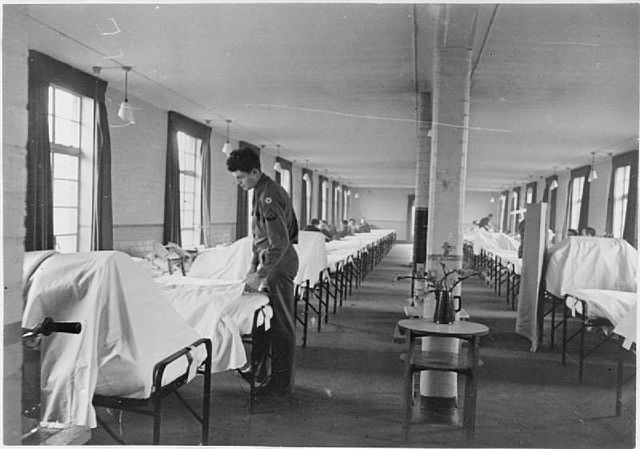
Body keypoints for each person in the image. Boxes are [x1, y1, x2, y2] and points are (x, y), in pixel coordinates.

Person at [226, 148, 299, 396]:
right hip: (269, 264)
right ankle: (262, 374)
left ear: (255, 172)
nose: (239, 183)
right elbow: (260, 238)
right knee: (264, 323)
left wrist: (260, 274)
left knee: (281, 325)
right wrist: (252, 268)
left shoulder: (269, 196)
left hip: (279, 265)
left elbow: (279, 244)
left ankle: (280, 386)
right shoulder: (260, 191)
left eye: (240, 178)